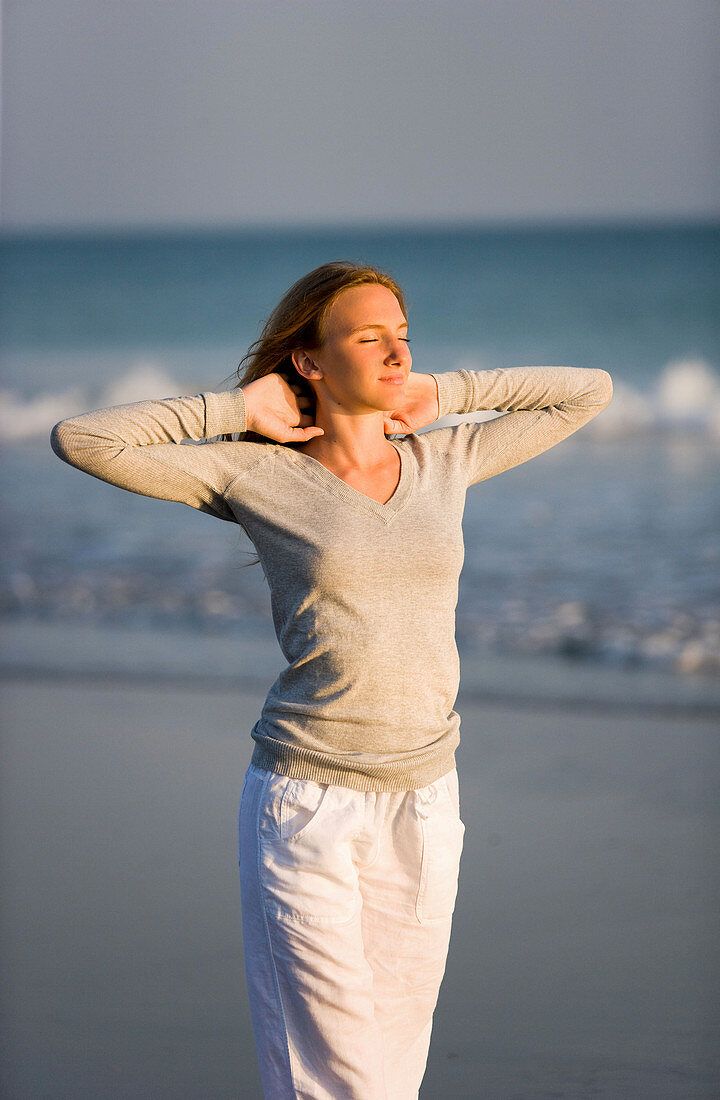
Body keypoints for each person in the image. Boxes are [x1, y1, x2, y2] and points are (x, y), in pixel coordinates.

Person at [50, 260, 613, 1099]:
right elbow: (84, 440)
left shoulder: (445, 459)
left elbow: (589, 392)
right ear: (309, 361)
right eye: (367, 336)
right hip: (307, 802)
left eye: (403, 335)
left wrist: (448, 392)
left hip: (425, 797)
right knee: (334, 1078)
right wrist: (241, 410)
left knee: (392, 1067)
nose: (395, 352)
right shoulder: (256, 475)